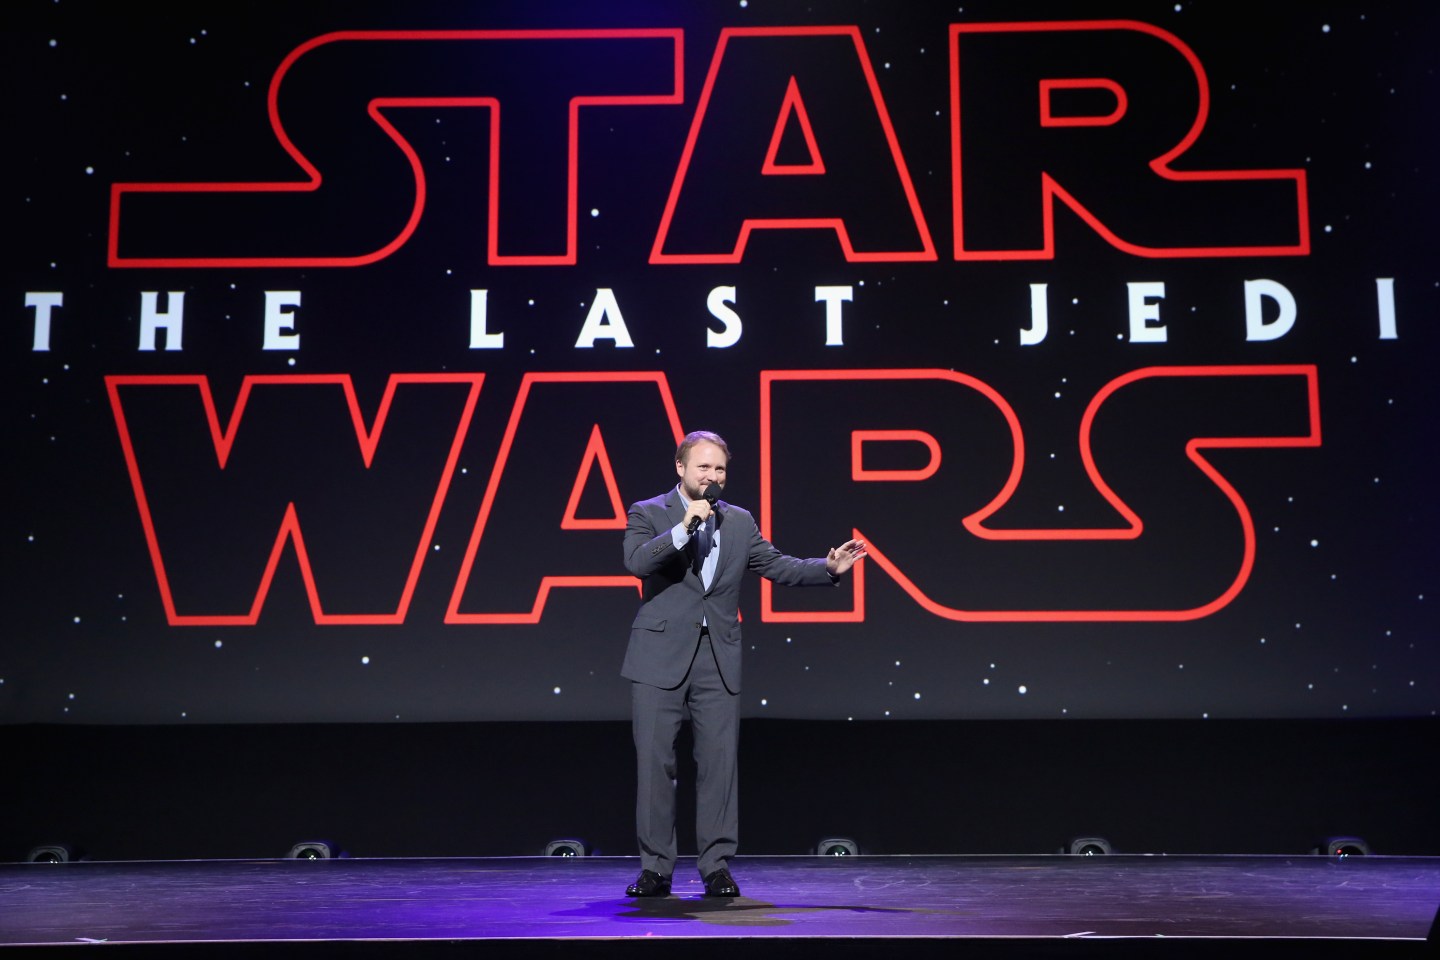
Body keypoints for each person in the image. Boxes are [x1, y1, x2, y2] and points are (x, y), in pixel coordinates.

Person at [620, 430, 866, 898]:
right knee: (655, 765)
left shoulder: (738, 521)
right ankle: (656, 869)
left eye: (720, 469)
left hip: (718, 657)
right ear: (680, 468)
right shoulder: (648, 512)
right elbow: (637, 562)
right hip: (658, 657)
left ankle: (716, 866)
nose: (712, 476)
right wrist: (683, 528)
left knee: (719, 765)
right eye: (703, 467)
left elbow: (776, 565)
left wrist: (827, 568)